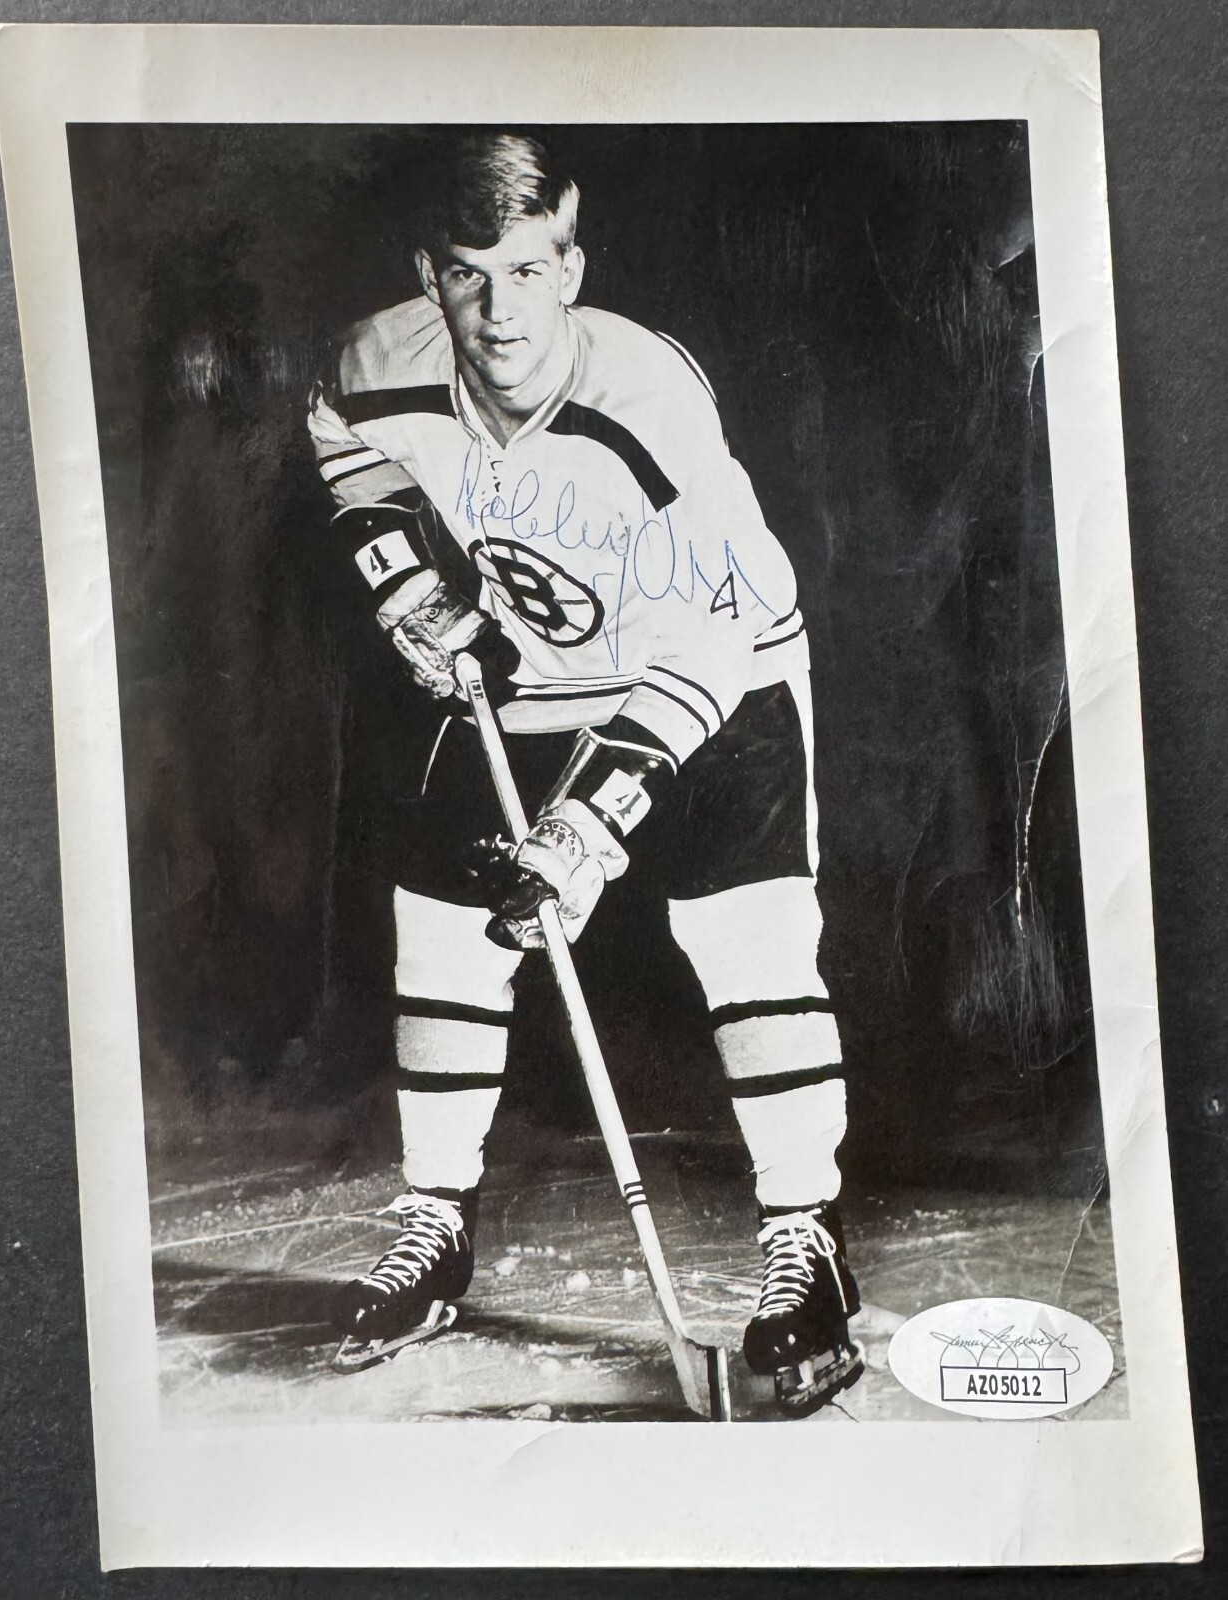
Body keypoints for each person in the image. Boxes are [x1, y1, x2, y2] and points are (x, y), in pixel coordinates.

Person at [307, 132, 862, 1414]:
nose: (498, 312)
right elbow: (339, 434)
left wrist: (585, 831)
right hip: (526, 673)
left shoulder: (649, 405)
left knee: (753, 944)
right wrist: (403, 586)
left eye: (526, 269)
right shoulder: (378, 359)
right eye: (465, 276)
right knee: (444, 938)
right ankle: (434, 1222)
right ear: (428, 276)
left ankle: (805, 1244)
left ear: (571, 262)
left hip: (716, 673)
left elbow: (703, 644)